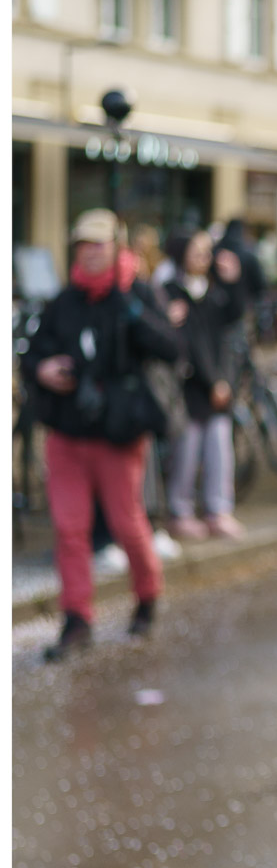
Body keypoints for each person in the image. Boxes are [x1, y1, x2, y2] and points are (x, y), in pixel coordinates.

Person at [21, 209, 183, 659]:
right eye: (83, 245)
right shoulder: (64, 300)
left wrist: (133, 311)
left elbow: (171, 348)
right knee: (70, 529)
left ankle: (147, 596)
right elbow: (33, 354)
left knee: (127, 524)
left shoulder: (135, 295)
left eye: (99, 244)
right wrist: (44, 368)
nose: (90, 253)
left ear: (118, 247)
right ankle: (77, 620)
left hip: (118, 435)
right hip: (68, 435)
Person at [163, 228, 248, 540]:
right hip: (190, 386)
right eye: (196, 250)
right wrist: (214, 381)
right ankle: (180, 510)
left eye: (206, 250)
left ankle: (218, 510)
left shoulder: (214, 290)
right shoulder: (170, 291)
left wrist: (234, 279)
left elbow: (234, 322)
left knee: (219, 448)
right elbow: (189, 343)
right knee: (186, 449)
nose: (203, 256)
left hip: (218, 385)